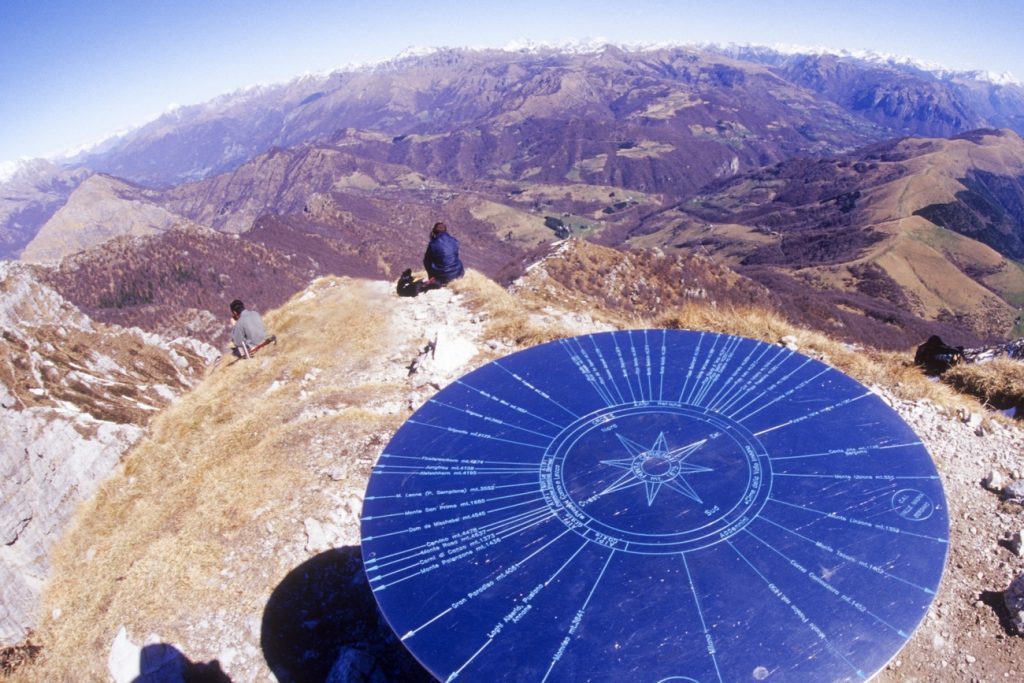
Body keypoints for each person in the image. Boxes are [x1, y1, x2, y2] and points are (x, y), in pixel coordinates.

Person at [422, 222, 465, 286]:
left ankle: (432, 279)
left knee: (427, 261)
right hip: (457, 274)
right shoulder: (454, 240)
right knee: (456, 259)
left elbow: (427, 260)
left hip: (441, 277)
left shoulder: (433, 243)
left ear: (434, 231)